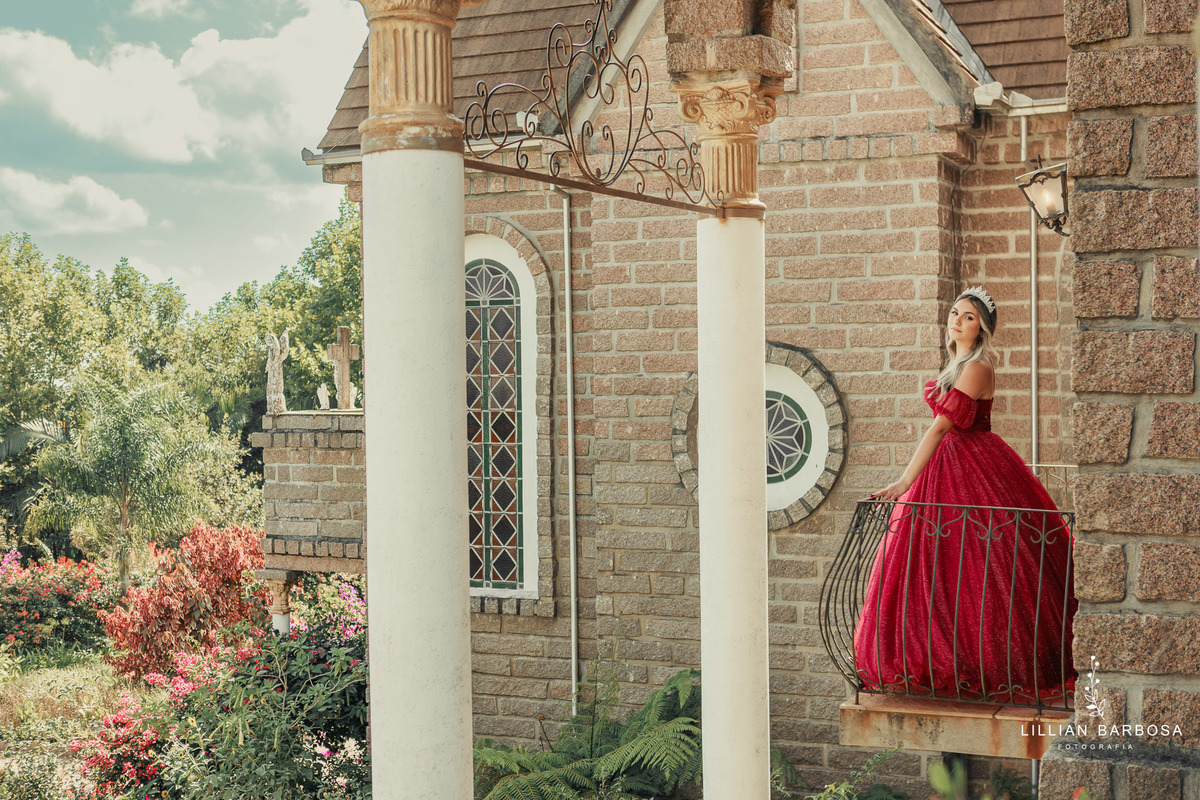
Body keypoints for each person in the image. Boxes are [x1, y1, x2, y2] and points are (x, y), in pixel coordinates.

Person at [853, 286, 1076, 706]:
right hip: (947, 464)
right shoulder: (956, 363)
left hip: (972, 462)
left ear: (983, 328)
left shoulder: (977, 367)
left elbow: (940, 428)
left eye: (969, 316)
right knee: (937, 563)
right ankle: (939, 658)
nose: (957, 320)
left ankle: (988, 664)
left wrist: (902, 483)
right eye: (955, 312)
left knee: (984, 565)